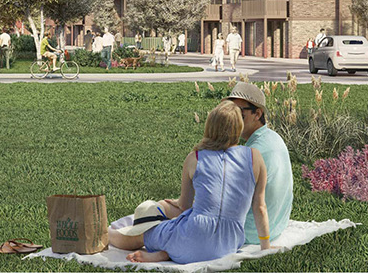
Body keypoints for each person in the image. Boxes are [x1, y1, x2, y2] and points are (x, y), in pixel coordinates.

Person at [108, 101, 272, 264]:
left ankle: (105, 234)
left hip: (192, 240)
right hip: (229, 244)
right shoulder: (255, 157)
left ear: (210, 126)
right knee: (184, 228)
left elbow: (184, 206)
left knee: (142, 234)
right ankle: (168, 252)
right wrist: (266, 247)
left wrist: (174, 204)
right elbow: (260, 207)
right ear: (239, 127)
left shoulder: (195, 157)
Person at [227, 81, 294, 246]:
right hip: (277, 225)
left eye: (239, 115)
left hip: (252, 232)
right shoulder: (273, 138)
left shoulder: (254, 152)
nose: (232, 120)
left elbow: (229, 201)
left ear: (257, 114)